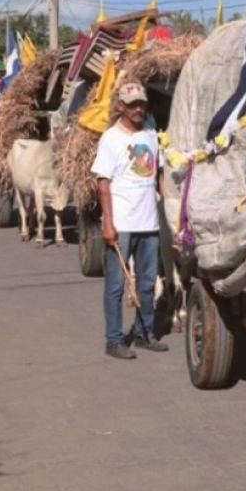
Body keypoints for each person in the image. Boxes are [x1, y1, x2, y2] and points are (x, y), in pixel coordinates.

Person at [91, 82, 167, 359]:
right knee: (116, 285)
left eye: (141, 103)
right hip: (122, 225)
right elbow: (103, 183)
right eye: (132, 104)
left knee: (147, 283)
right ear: (120, 106)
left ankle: (145, 333)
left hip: (149, 224)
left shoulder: (150, 133)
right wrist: (108, 223)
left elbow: (158, 175)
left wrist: (168, 208)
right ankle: (113, 340)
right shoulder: (111, 139)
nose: (138, 108)